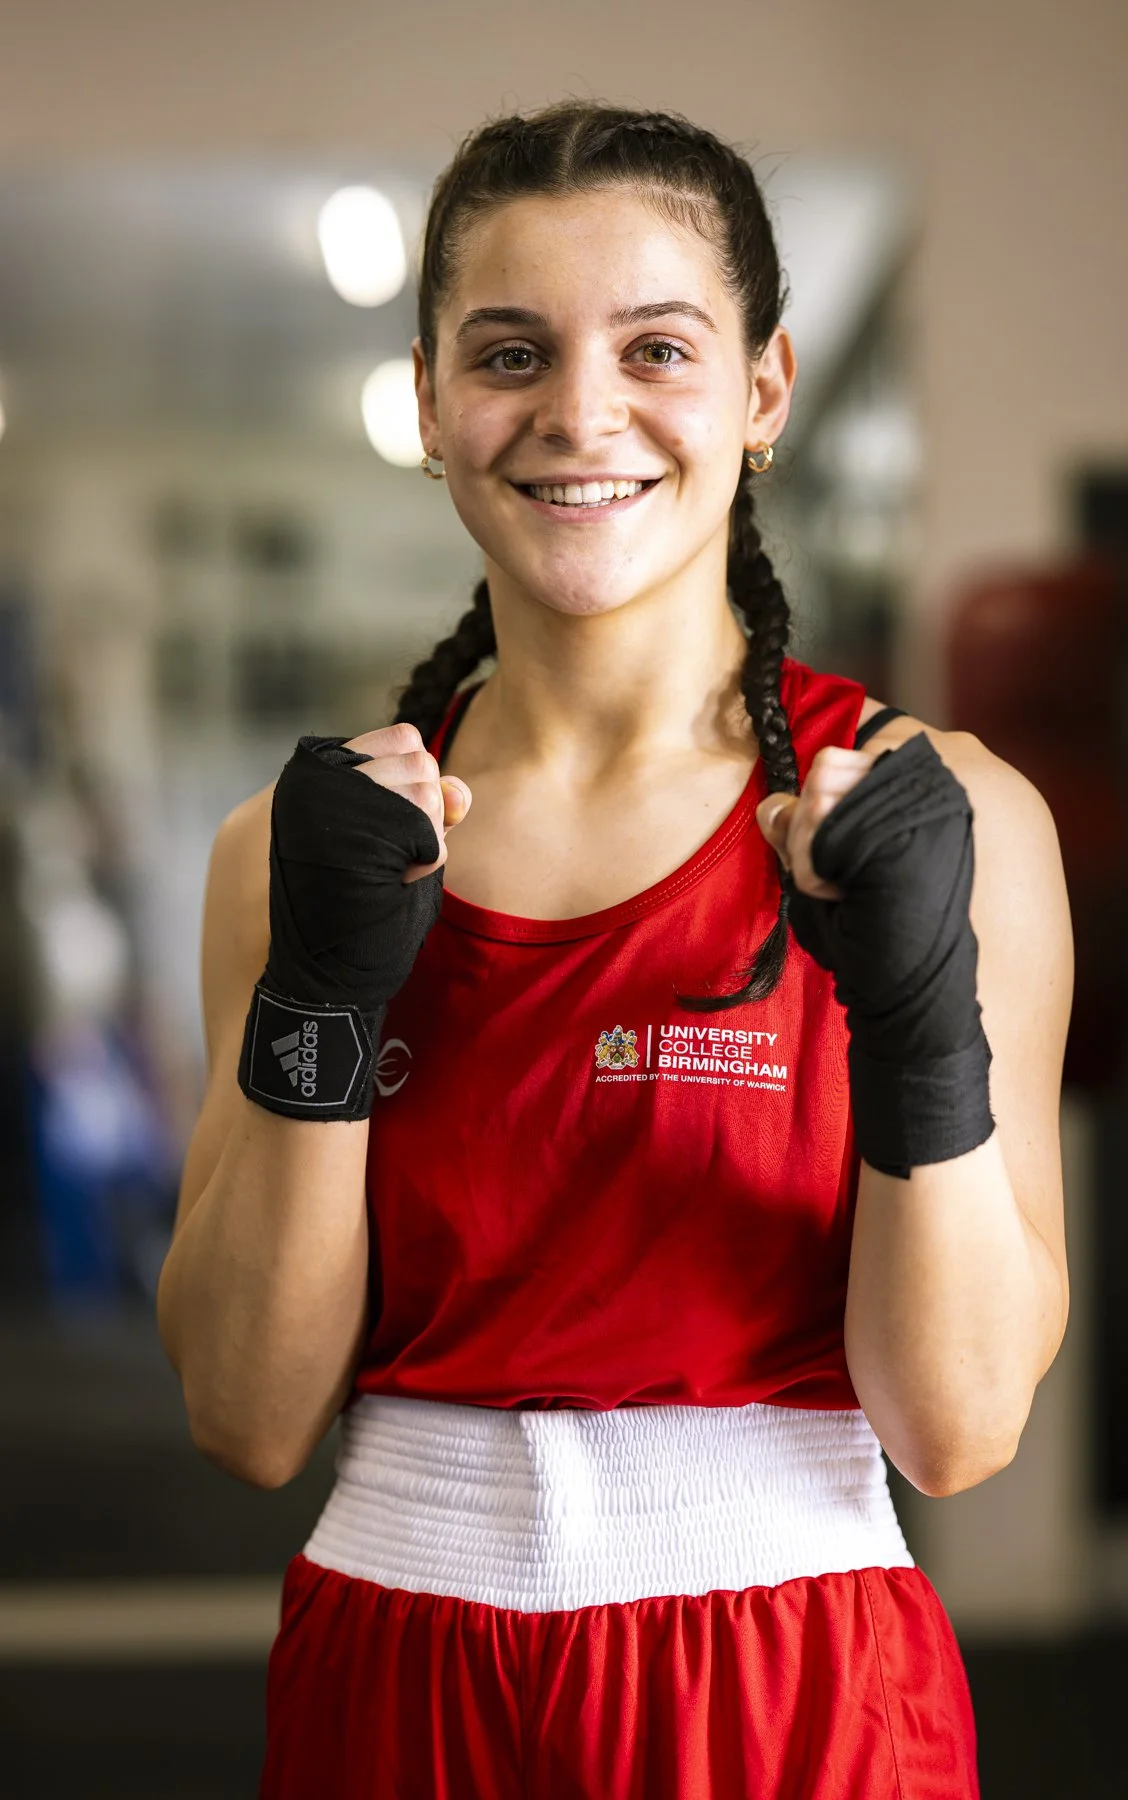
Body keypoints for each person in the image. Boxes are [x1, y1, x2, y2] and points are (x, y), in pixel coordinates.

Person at [157, 104, 1072, 1799]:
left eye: (657, 346)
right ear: (430, 403)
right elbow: (247, 1410)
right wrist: (320, 996)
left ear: (765, 390)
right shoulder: (293, 855)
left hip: (791, 1676)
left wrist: (915, 1010)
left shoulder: (951, 822)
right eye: (511, 352)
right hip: (396, 1660)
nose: (581, 414)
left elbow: (957, 1429)